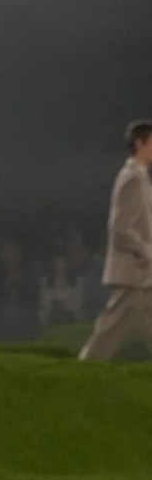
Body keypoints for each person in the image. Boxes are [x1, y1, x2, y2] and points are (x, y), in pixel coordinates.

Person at [79, 120, 152, 360]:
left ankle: (84, 367)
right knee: (109, 331)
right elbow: (120, 228)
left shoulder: (140, 176)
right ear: (140, 143)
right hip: (134, 274)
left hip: (140, 274)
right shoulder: (132, 177)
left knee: (111, 330)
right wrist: (147, 251)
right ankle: (84, 367)